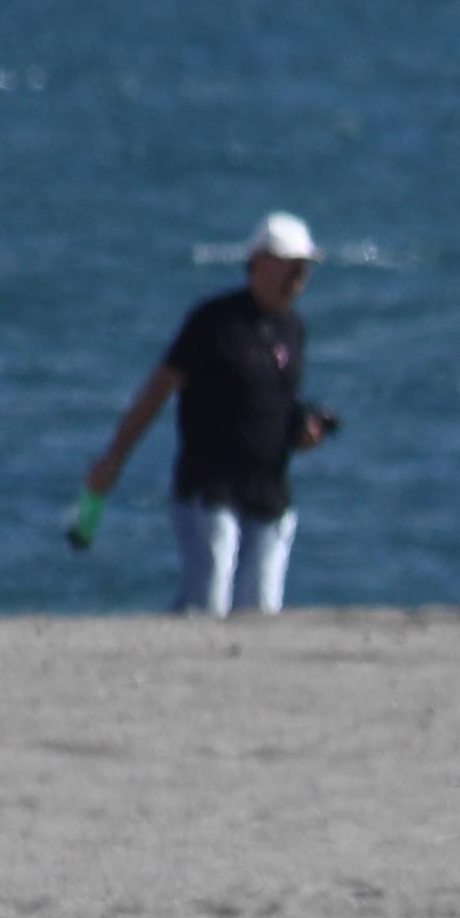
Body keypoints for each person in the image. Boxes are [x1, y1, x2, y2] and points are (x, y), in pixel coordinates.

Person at [82, 210, 340, 617]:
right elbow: (156, 392)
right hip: (210, 487)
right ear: (260, 263)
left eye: (303, 269)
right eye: (290, 266)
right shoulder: (215, 323)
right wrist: (115, 456)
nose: (298, 278)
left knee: (260, 612)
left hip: (269, 491)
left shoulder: (293, 329)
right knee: (208, 602)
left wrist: (303, 432)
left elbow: (277, 405)